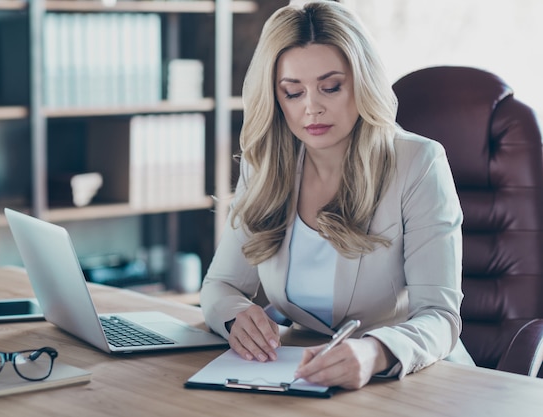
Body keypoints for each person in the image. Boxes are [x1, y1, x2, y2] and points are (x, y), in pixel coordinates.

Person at [199, 0, 475, 390]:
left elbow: (440, 317)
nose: (312, 108)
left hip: (416, 380)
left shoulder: (418, 162)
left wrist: (375, 351)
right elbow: (219, 286)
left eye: (331, 87)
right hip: (305, 374)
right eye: (293, 92)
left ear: (361, 81)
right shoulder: (265, 165)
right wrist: (237, 318)